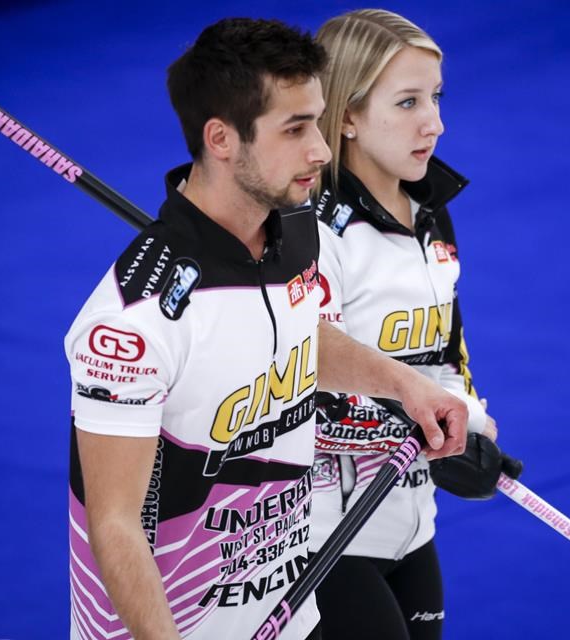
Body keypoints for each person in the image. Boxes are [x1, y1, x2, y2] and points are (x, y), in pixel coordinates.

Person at [63, 17, 467, 640]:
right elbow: (113, 522)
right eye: (296, 128)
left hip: (291, 609)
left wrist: (403, 385)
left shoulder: (295, 229)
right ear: (222, 139)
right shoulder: (132, 322)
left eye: (318, 119)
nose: (324, 150)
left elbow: (301, 333)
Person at [307, 10, 497, 640]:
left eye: (436, 97)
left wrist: (471, 425)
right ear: (348, 115)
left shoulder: (430, 212)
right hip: (322, 533)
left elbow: (447, 355)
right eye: (409, 101)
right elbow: (299, 374)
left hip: (412, 521)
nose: (434, 122)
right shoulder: (309, 229)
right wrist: (413, 417)